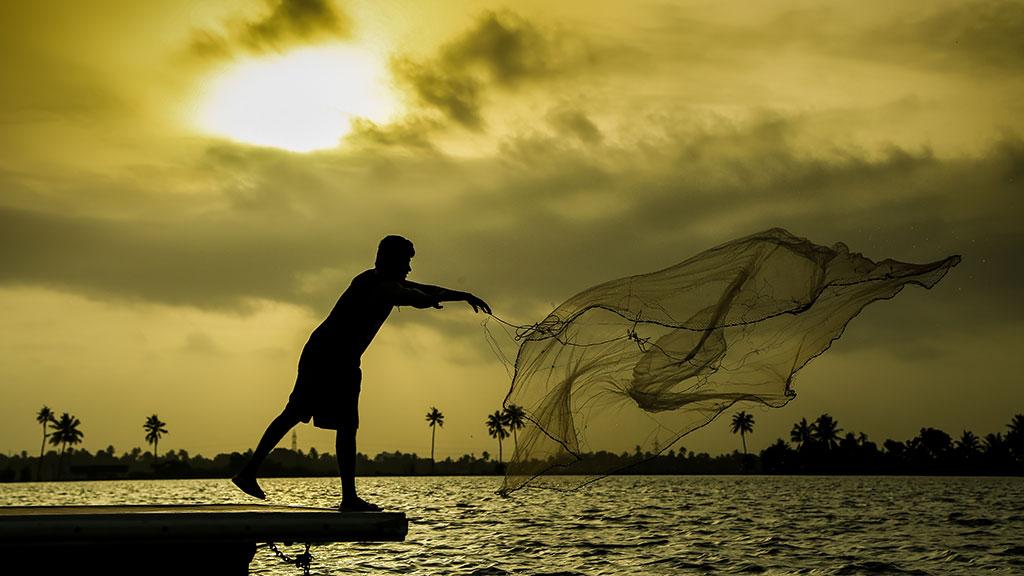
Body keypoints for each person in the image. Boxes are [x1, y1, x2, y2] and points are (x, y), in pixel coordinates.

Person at [232, 235, 491, 511]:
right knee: (309, 417)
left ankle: (258, 475)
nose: (409, 269)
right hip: (327, 356)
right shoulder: (374, 283)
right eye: (406, 262)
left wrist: (461, 296)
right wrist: (429, 300)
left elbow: (421, 289)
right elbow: (411, 296)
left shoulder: (385, 280)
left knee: (332, 423)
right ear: (390, 260)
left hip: (338, 358)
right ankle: (340, 496)